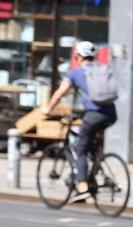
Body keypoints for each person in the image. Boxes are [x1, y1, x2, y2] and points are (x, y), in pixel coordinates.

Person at [40, 41, 116, 203]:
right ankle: (93, 174)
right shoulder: (102, 69)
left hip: (94, 115)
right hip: (110, 113)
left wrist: (47, 108)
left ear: (78, 56)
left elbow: (60, 94)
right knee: (92, 144)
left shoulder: (76, 73)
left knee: (79, 148)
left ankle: (82, 187)